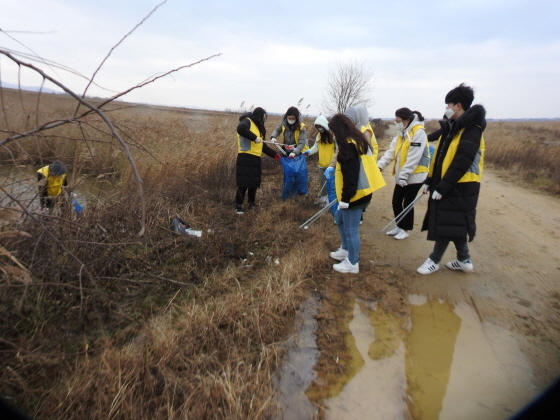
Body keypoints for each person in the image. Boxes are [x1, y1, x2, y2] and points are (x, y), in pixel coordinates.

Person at [417, 83, 486, 274]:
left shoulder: (472, 129)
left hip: (461, 186)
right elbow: (440, 157)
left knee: (446, 221)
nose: (446, 108)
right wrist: (430, 181)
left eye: (448, 105)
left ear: (458, 105)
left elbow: (462, 161)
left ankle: (434, 260)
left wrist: (443, 187)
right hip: (448, 183)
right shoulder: (454, 127)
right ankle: (464, 259)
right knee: (454, 222)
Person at [327, 113, 385, 274]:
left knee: (351, 229)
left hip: (355, 194)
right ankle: (345, 249)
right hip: (356, 192)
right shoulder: (355, 141)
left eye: (333, 131)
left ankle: (352, 262)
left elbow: (351, 175)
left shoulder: (350, 146)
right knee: (339, 220)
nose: (332, 134)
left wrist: (346, 198)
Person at [378, 108, 430, 240]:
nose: (397, 123)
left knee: (407, 203)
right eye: (395, 121)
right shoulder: (402, 133)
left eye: (398, 121)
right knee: (396, 201)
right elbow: (391, 152)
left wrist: (404, 175)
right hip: (402, 176)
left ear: (407, 120)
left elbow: (414, 157)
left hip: (415, 176)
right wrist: (379, 166)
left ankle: (405, 229)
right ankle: (399, 225)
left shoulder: (418, 132)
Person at [235, 107, 280, 214]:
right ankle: (238, 205)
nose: (264, 120)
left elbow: (262, 146)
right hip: (245, 158)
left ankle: (251, 204)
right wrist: (254, 138)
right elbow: (241, 129)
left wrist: (275, 155)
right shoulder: (247, 121)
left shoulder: (259, 128)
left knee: (254, 183)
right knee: (243, 183)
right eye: (263, 117)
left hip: (256, 159)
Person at [303, 115, 336, 205]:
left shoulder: (333, 136)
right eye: (317, 127)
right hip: (321, 164)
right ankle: (322, 198)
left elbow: (337, 150)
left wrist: (335, 164)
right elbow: (315, 147)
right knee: (322, 183)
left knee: (331, 184)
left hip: (332, 166)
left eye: (320, 126)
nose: (319, 129)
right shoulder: (319, 136)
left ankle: (331, 200)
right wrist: (308, 152)